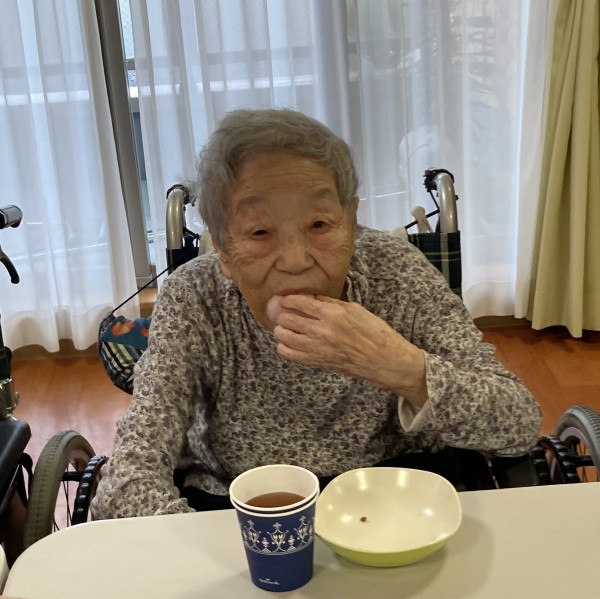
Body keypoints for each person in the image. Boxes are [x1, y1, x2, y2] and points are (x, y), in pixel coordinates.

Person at [91, 108, 541, 519]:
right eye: (260, 231)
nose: (295, 260)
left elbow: (518, 423)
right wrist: (209, 553)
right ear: (223, 248)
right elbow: (127, 478)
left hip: (396, 504)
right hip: (238, 508)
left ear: (352, 221)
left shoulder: (397, 272)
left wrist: (400, 366)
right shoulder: (195, 297)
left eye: (320, 224)